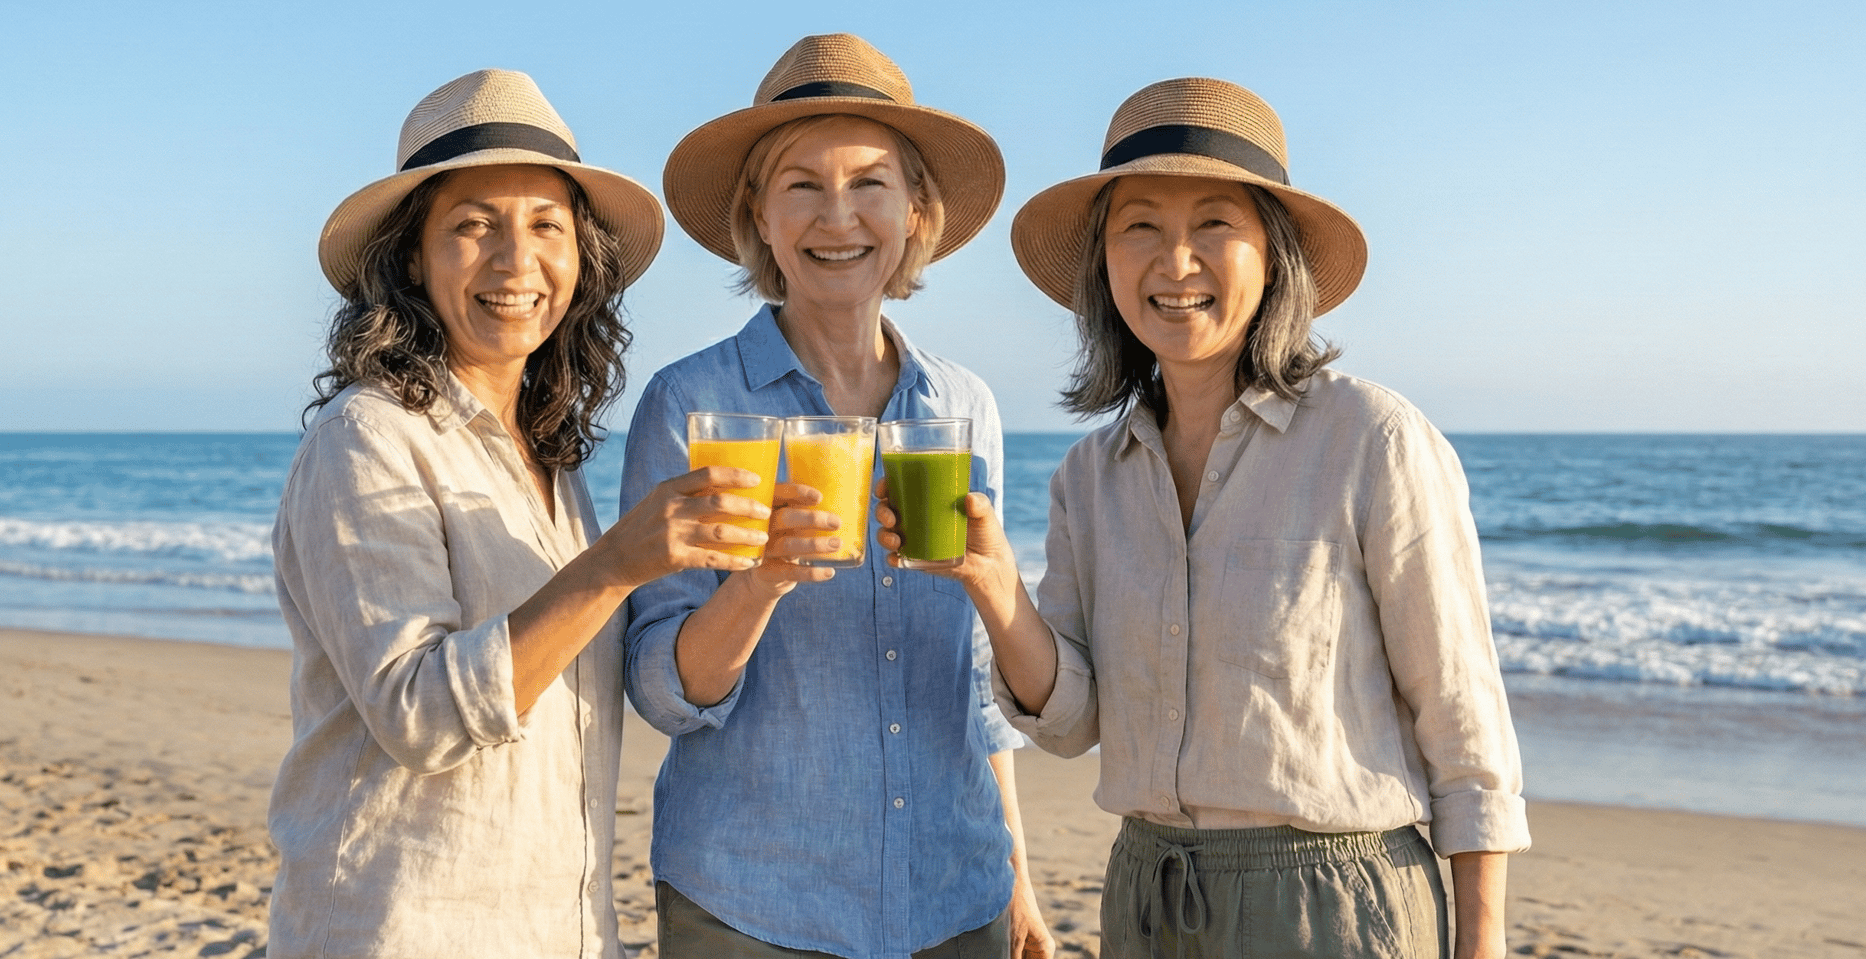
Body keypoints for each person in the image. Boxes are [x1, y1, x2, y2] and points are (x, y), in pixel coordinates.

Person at [880, 78, 1530, 958]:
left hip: (1333, 905)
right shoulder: (1090, 477)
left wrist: (1481, 942)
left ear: (1274, 254)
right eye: (1139, 225)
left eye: (1215, 224)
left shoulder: (1371, 439)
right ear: (1104, 265)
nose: (1175, 262)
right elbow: (1070, 722)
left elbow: (1463, 722)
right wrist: (991, 581)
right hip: (1146, 895)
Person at [269, 69, 770, 958]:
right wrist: (617, 563)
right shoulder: (368, 437)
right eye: (473, 226)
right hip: (400, 929)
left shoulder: (547, 458)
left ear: (582, 263)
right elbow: (420, 713)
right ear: (411, 257)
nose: (515, 262)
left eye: (547, 226)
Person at [621, 34, 1053, 959]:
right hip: (750, 901)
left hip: (955, 892)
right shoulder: (692, 404)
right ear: (762, 217)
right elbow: (662, 689)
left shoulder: (963, 406)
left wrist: (1017, 872)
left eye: (870, 183)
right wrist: (761, 582)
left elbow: (974, 680)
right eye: (803, 185)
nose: (838, 215)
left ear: (915, 213)